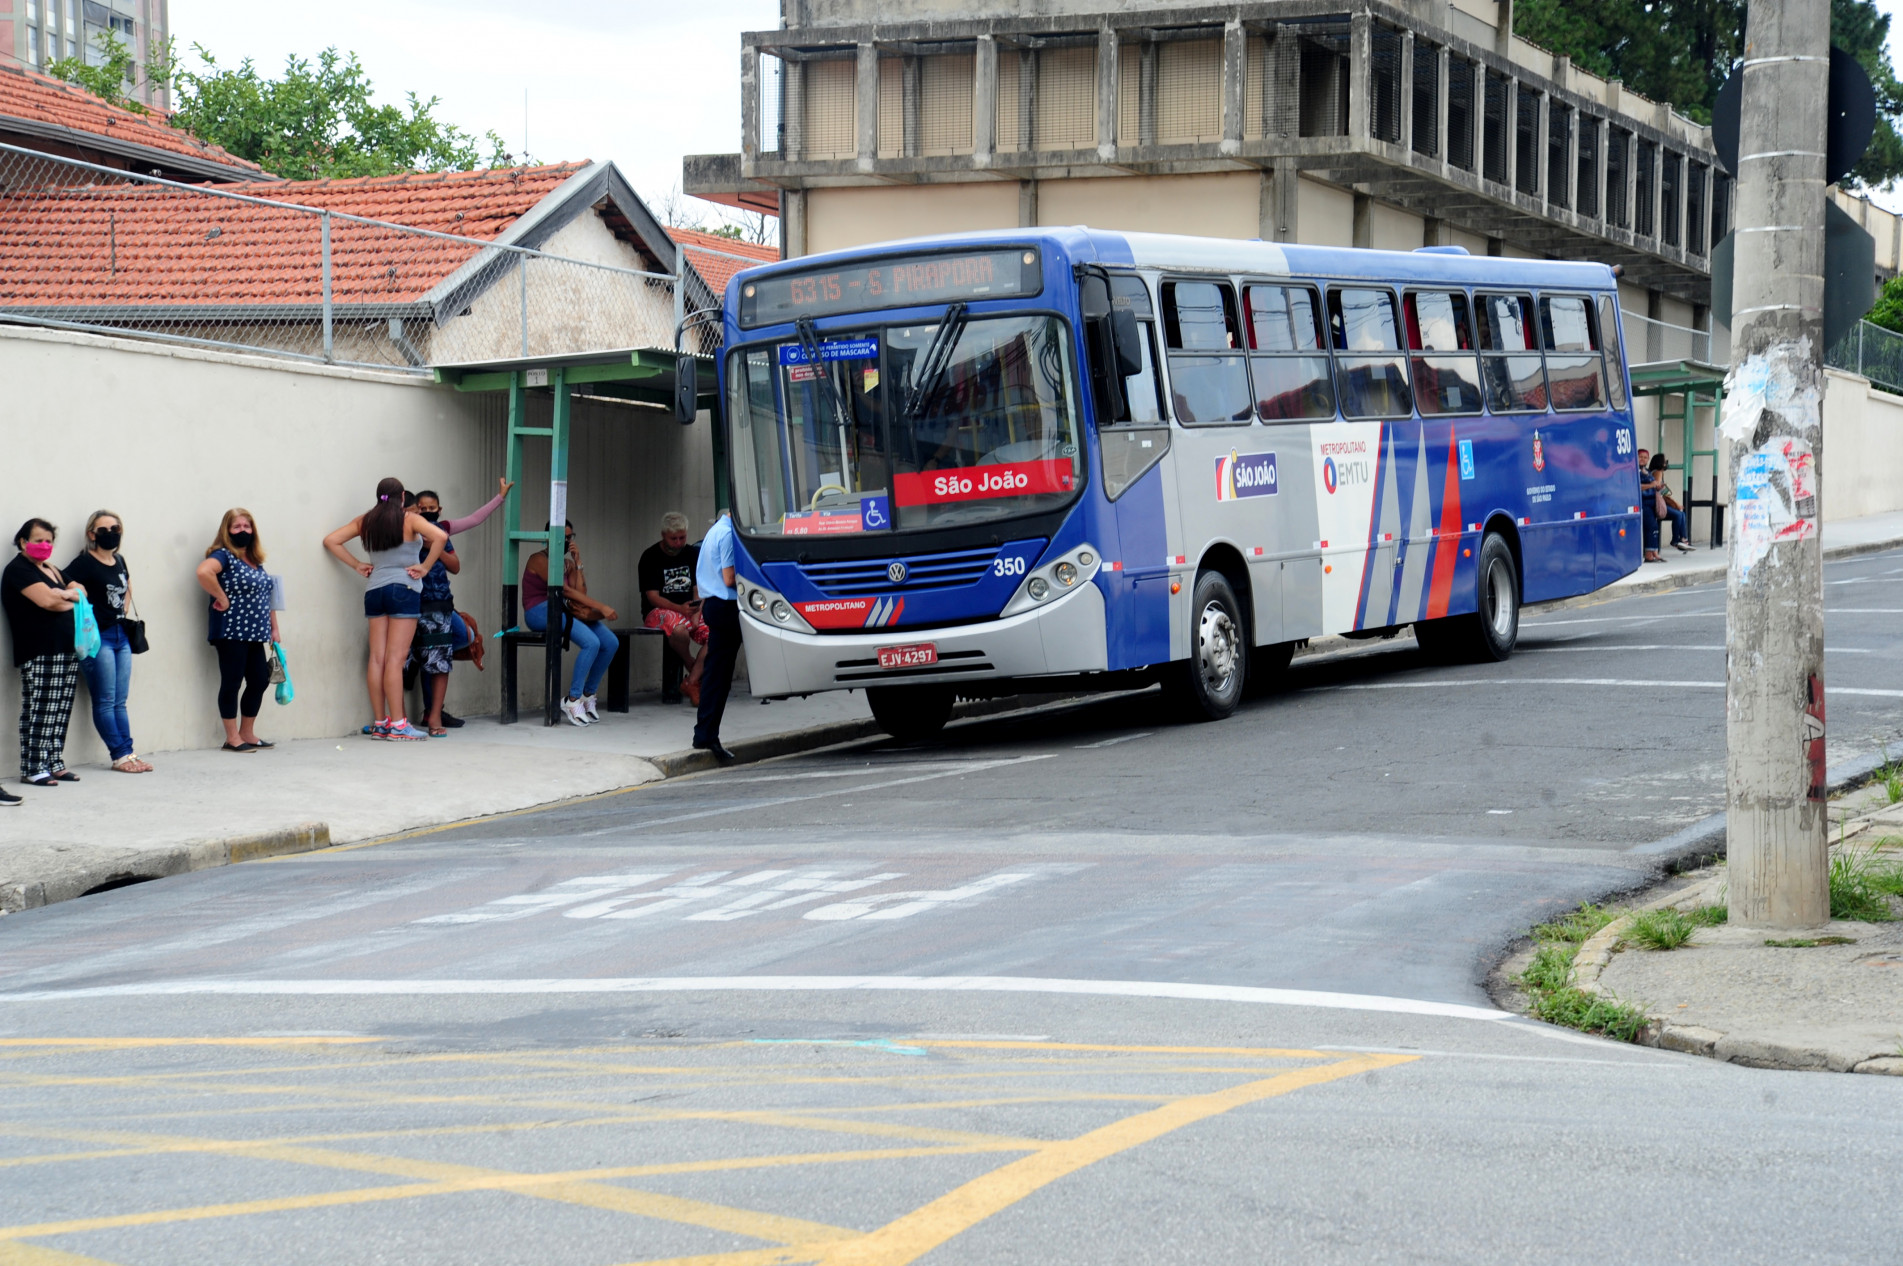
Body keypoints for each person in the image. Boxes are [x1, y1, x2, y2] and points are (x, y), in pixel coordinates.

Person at [323, 477, 447, 742]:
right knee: (395, 658)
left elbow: (331, 540)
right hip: (404, 589)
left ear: (379, 496)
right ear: (402, 496)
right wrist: (424, 568)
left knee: (377, 658)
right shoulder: (409, 519)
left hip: (374, 591)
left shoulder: (365, 521)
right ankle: (400, 724)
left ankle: (381, 723)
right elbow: (440, 536)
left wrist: (357, 564)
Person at [410, 478, 512, 730]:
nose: (426, 513)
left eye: (431, 508)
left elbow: (473, 521)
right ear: (414, 511)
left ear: (439, 509)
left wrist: (500, 497)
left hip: (442, 602)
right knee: (433, 654)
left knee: (463, 635)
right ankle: (433, 711)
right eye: (421, 509)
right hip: (420, 603)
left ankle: (428, 693)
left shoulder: (442, 530)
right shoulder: (408, 531)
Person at [66, 510, 150, 773]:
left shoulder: (120, 560)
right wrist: (77, 592)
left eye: (115, 528)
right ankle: (120, 756)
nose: (111, 533)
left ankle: (129, 753)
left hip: (121, 636)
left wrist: (122, 610)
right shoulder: (84, 562)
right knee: (105, 699)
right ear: (92, 534)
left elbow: (128, 587)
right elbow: (63, 579)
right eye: (104, 530)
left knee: (119, 700)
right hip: (97, 639)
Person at [3, 518, 83, 793]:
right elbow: (47, 601)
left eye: (49, 541)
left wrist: (67, 594)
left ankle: (54, 761)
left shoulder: (50, 568)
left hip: (66, 647)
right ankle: (33, 768)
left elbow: (80, 591)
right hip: (39, 649)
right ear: (24, 542)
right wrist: (67, 598)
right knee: (41, 709)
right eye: (38, 540)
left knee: (60, 708)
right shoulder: (18, 569)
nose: (44, 546)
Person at [196, 508, 282, 753]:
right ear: (227, 530)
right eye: (237, 527)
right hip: (231, 631)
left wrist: (274, 629)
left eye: (247, 526)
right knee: (232, 681)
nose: (243, 531)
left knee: (259, 680)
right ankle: (231, 737)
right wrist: (222, 598)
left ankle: (248, 733)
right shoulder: (223, 556)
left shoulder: (256, 561)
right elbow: (203, 572)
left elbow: (268, 598)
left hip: (256, 632)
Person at [522, 520, 619, 727]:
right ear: (549, 538)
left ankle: (587, 694)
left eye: (570, 537)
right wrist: (601, 607)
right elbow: (563, 590)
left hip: (564, 610)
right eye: (563, 537)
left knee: (610, 642)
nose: (567, 541)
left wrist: (578, 562)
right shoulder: (538, 559)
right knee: (591, 643)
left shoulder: (568, 563)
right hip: (539, 611)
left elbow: (579, 594)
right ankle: (572, 700)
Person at [639, 511, 709, 705]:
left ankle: (692, 681)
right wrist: (680, 608)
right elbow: (653, 597)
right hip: (659, 611)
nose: (679, 543)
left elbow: (699, 588)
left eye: (682, 537)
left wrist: (696, 613)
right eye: (674, 538)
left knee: (716, 635)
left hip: (690, 609)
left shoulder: (693, 554)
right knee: (679, 628)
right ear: (663, 535)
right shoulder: (650, 556)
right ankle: (690, 663)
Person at [692, 510, 741, 764]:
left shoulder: (715, 530)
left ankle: (706, 732)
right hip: (726, 606)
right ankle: (706, 734)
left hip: (714, 604)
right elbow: (729, 577)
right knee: (719, 676)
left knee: (717, 673)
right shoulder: (729, 534)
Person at [1648, 452, 1694, 554]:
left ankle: (1683, 539)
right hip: (1657, 503)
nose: (1666, 464)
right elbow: (1660, 490)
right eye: (1664, 461)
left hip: (1657, 502)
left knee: (1681, 513)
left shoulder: (1652, 472)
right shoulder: (1658, 472)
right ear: (1660, 462)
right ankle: (1675, 540)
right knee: (1678, 514)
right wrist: (1675, 503)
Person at [1636, 448, 1664, 563]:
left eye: (1645, 457)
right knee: (1650, 527)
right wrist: (1651, 485)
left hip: (1652, 503)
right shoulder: (1633, 471)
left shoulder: (1647, 471)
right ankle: (1649, 554)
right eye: (1640, 456)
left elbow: (1653, 485)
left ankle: (1653, 552)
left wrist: (1657, 486)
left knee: (1653, 528)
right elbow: (1637, 486)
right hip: (1643, 503)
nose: (1642, 459)